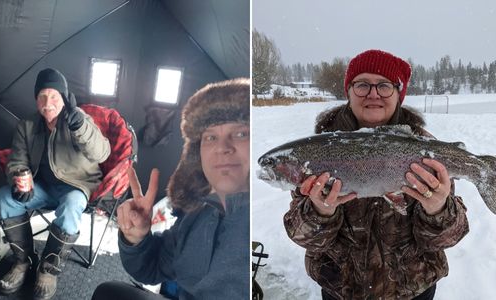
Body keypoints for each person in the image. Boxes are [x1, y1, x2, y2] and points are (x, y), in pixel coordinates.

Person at [283, 49, 470, 300]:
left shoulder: (425, 151)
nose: (373, 94)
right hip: (341, 290)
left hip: (412, 291)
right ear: (348, 91)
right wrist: (320, 212)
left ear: (398, 94)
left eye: (384, 85)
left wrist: (438, 210)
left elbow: (446, 239)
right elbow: (302, 236)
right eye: (362, 85)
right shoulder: (319, 150)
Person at [91, 78, 250, 300]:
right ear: (198, 153)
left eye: (241, 134)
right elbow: (153, 267)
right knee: (107, 294)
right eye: (211, 137)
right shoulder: (199, 213)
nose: (222, 148)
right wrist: (137, 239)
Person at [0, 68, 110, 299]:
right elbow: (17, 159)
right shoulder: (26, 126)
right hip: (43, 187)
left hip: (75, 186)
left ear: (65, 98)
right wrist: (19, 177)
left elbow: (102, 153)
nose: (48, 103)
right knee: (4, 197)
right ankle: (23, 261)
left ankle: (48, 270)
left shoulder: (79, 119)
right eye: (42, 96)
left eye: (54, 96)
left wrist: (81, 127)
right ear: (36, 99)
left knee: (72, 204)